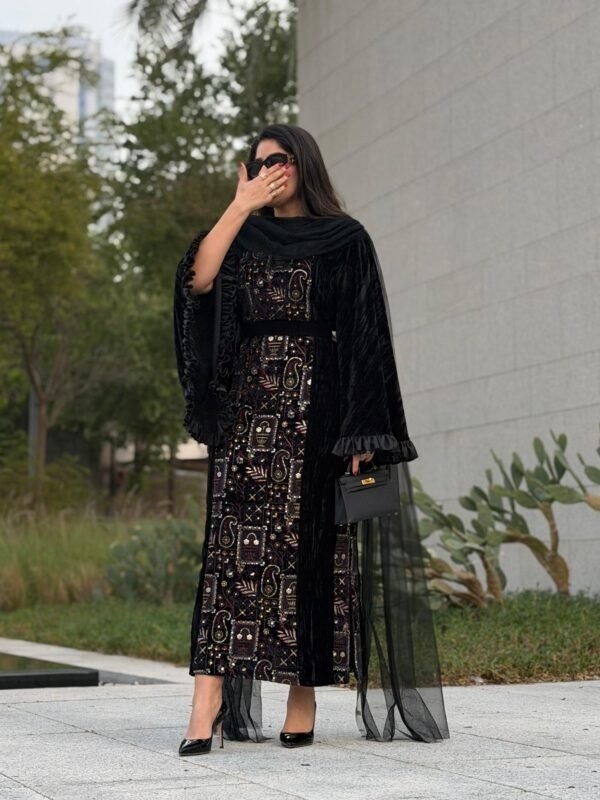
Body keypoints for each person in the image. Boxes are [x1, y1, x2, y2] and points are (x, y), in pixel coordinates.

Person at [173, 123, 450, 755]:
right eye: (258, 163)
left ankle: (303, 697)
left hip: (318, 412)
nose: (268, 170)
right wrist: (238, 207)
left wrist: (361, 430)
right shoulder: (241, 235)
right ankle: (205, 701)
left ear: (304, 164)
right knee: (230, 556)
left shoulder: (345, 239)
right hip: (246, 418)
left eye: (280, 160)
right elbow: (198, 283)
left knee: (315, 552)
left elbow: (365, 336)